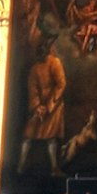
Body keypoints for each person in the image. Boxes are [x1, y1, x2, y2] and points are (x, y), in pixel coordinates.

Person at [18, 41, 66, 175]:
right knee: (28, 136)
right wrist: (37, 106)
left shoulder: (55, 63)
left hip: (54, 107)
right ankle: (20, 167)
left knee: (51, 138)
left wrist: (49, 105)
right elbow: (32, 88)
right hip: (39, 109)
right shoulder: (35, 68)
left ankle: (54, 168)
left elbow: (61, 84)